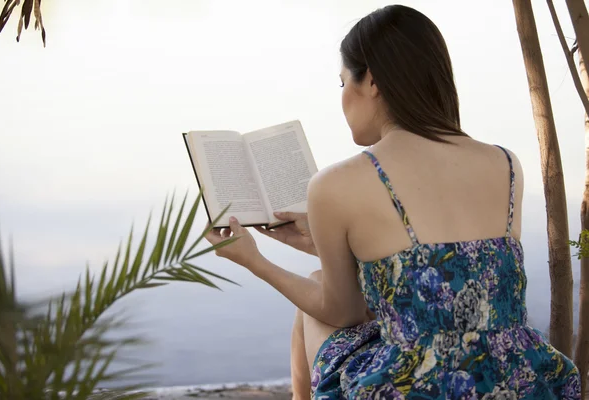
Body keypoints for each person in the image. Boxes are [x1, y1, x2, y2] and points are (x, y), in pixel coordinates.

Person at [205, 4, 580, 399]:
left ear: (373, 83)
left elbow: (343, 311)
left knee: (314, 304)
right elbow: (454, 280)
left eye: (343, 82)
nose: (343, 97)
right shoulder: (506, 164)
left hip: (417, 385)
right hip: (518, 378)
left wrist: (254, 260)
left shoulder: (337, 182)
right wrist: (321, 245)